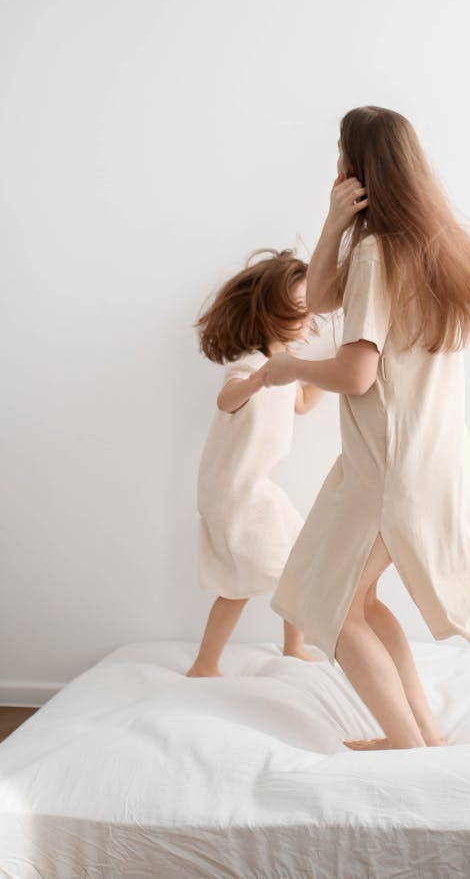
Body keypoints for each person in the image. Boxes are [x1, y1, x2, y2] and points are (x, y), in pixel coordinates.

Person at [255, 106, 470, 748]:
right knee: (360, 601)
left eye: (339, 154)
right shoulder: (428, 248)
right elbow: (322, 300)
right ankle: (424, 738)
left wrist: (287, 371)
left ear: (357, 168)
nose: (333, 164)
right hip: (418, 458)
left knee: (332, 606)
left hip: (388, 469)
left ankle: (407, 747)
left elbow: (358, 374)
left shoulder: (378, 255)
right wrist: (333, 223)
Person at [186, 249, 326, 677]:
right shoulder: (251, 365)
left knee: (298, 561)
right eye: (297, 311)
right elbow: (226, 399)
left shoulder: (284, 367)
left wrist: (328, 371)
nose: (306, 320)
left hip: (256, 487)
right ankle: (205, 664)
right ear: (270, 313)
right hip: (235, 492)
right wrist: (256, 381)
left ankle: (293, 647)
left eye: (308, 310)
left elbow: (301, 402)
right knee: (238, 584)